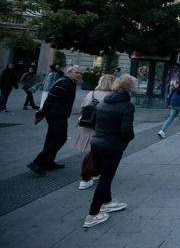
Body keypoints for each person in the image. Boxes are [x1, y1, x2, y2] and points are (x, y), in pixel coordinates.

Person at [83, 74, 136, 228]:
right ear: (130, 88)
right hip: (112, 146)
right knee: (106, 179)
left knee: (103, 176)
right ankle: (92, 214)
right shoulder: (127, 106)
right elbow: (126, 129)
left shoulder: (104, 101)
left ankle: (107, 202)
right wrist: (127, 139)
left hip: (97, 142)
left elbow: (94, 122)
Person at [28, 65, 82, 175]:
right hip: (55, 114)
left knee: (52, 138)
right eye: (77, 72)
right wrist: (41, 113)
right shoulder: (63, 82)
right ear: (69, 72)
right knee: (60, 138)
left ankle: (48, 162)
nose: (79, 74)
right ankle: (37, 162)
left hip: (60, 114)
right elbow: (50, 98)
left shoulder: (71, 82)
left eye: (80, 73)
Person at [75, 74, 116, 190]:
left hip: (87, 125)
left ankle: (93, 172)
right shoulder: (112, 96)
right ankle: (87, 177)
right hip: (101, 127)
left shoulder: (91, 93)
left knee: (90, 151)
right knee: (98, 152)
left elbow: (83, 108)